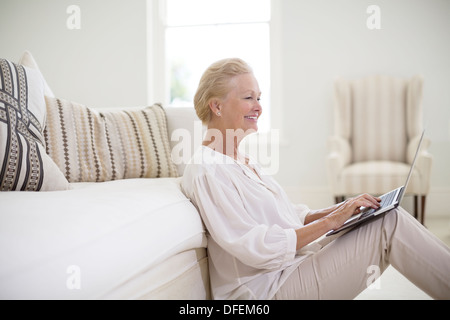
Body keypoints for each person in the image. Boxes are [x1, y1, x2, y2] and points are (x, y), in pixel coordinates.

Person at [181, 58, 450, 300]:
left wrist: (344, 210)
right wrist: (331, 222)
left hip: (291, 269)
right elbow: (254, 246)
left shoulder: (244, 160)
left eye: (259, 98)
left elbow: (288, 216)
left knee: (387, 215)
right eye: (248, 98)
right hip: (265, 289)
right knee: (388, 224)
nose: (258, 107)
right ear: (216, 105)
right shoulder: (208, 169)